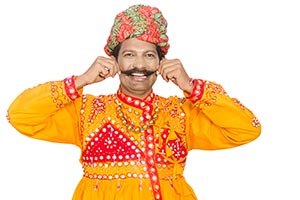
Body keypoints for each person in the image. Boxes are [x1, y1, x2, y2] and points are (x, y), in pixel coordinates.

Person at [7, 4, 261, 200]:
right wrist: (81, 80)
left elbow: (247, 128)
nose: (139, 65)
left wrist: (191, 87)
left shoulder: (182, 114)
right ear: (115, 62)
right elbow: (18, 115)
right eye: (129, 55)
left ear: (161, 63)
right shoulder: (85, 112)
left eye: (149, 55)